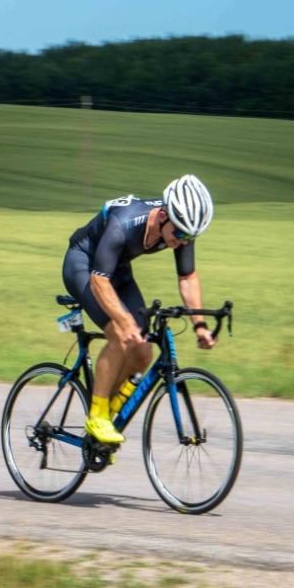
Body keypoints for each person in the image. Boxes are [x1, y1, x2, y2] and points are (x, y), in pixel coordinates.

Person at [62, 174, 217, 446]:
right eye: (180, 233)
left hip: (117, 270)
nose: (183, 242)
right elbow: (99, 281)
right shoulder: (124, 224)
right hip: (84, 266)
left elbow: (187, 278)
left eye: (190, 236)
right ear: (163, 216)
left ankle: (107, 415)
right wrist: (124, 321)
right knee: (122, 334)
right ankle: (96, 417)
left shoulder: (180, 226)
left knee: (143, 349)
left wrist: (199, 325)